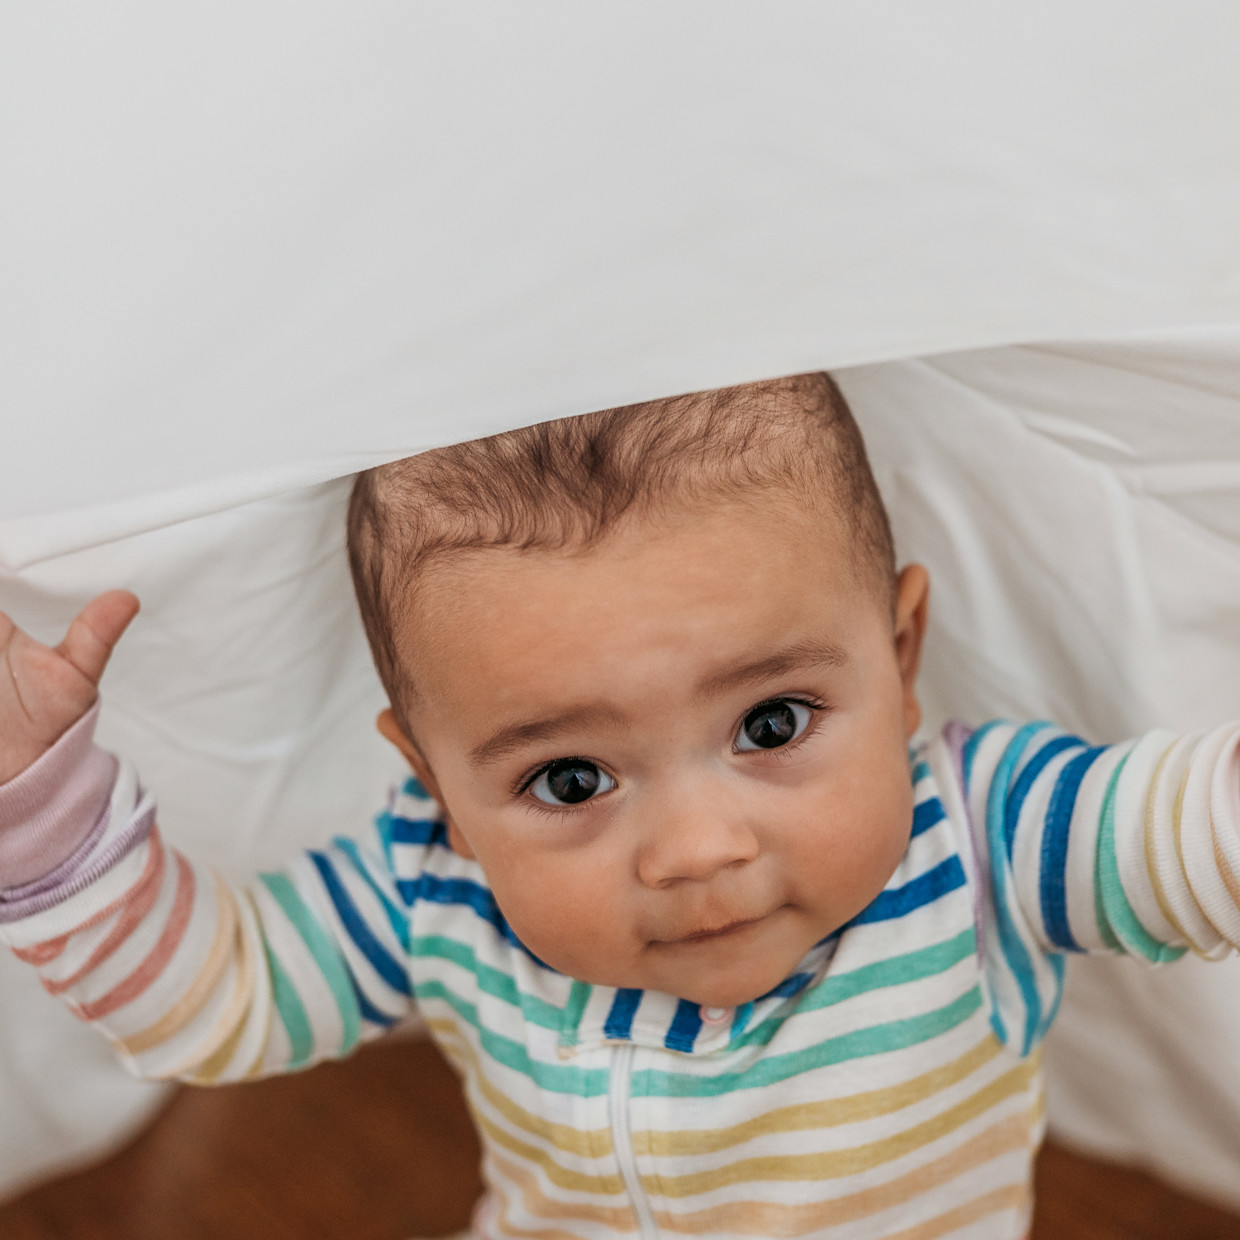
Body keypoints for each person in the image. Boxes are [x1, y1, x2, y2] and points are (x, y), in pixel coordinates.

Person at [1, 372, 1237, 1239]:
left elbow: (1194, 834)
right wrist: (41, 812)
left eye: (771, 724)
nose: (698, 850)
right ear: (436, 782)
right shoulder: (435, 882)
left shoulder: (982, 835)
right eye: (570, 781)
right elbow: (220, 1001)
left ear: (900, 657)